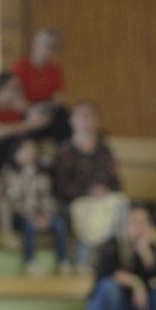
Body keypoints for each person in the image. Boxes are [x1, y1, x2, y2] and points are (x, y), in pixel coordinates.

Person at [52, 101, 127, 267]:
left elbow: (116, 183)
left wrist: (105, 190)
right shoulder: (64, 151)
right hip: (75, 203)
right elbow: (60, 187)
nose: (87, 119)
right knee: (88, 212)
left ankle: (121, 262)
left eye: (91, 115)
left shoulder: (105, 152)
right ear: (72, 120)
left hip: (102, 202)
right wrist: (88, 191)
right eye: (82, 115)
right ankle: (83, 261)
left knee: (122, 206)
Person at [86, 205, 156, 310]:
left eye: (143, 222)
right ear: (124, 225)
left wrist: (145, 252)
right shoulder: (112, 245)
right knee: (109, 287)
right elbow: (106, 273)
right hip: (113, 309)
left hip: (140, 309)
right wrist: (136, 283)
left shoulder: (152, 250)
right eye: (134, 222)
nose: (139, 227)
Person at [0, 137, 71, 273]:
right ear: (15, 154)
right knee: (29, 226)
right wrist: (33, 217)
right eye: (25, 150)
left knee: (59, 224)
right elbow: (12, 201)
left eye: (32, 150)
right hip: (19, 215)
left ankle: (63, 261)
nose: (30, 153)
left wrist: (46, 215)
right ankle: (30, 261)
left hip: (41, 215)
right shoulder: (8, 173)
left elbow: (47, 198)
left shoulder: (42, 175)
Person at [10, 28, 70, 142]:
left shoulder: (54, 70)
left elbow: (58, 98)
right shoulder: (20, 66)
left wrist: (49, 109)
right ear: (35, 45)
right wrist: (31, 110)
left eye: (53, 47)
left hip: (46, 109)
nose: (49, 50)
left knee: (63, 115)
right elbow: (14, 98)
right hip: (26, 109)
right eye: (46, 45)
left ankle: (64, 149)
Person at [0, 72, 50, 171]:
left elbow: (39, 118)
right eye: (15, 87)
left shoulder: (16, 105)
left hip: (14, 146)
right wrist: (30, 125)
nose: (19, 91)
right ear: (2, 88)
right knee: (16, 142)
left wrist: (28, 109)